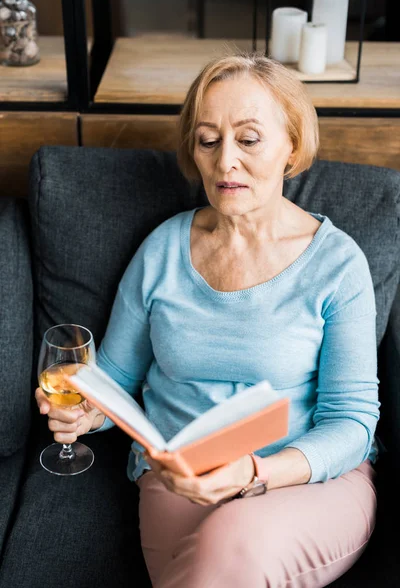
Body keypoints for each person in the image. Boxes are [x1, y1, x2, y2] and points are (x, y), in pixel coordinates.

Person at [36, 52, 380, 588]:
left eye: (248, 139)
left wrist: (255, 473)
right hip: (180, 480)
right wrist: (86, 415)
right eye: (208, 140)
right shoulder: (162, 251)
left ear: (291, 144)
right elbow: (118, 382)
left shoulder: (338, 264)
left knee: (233, 543)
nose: (225, 164)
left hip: (304, 480)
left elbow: (353, 423)